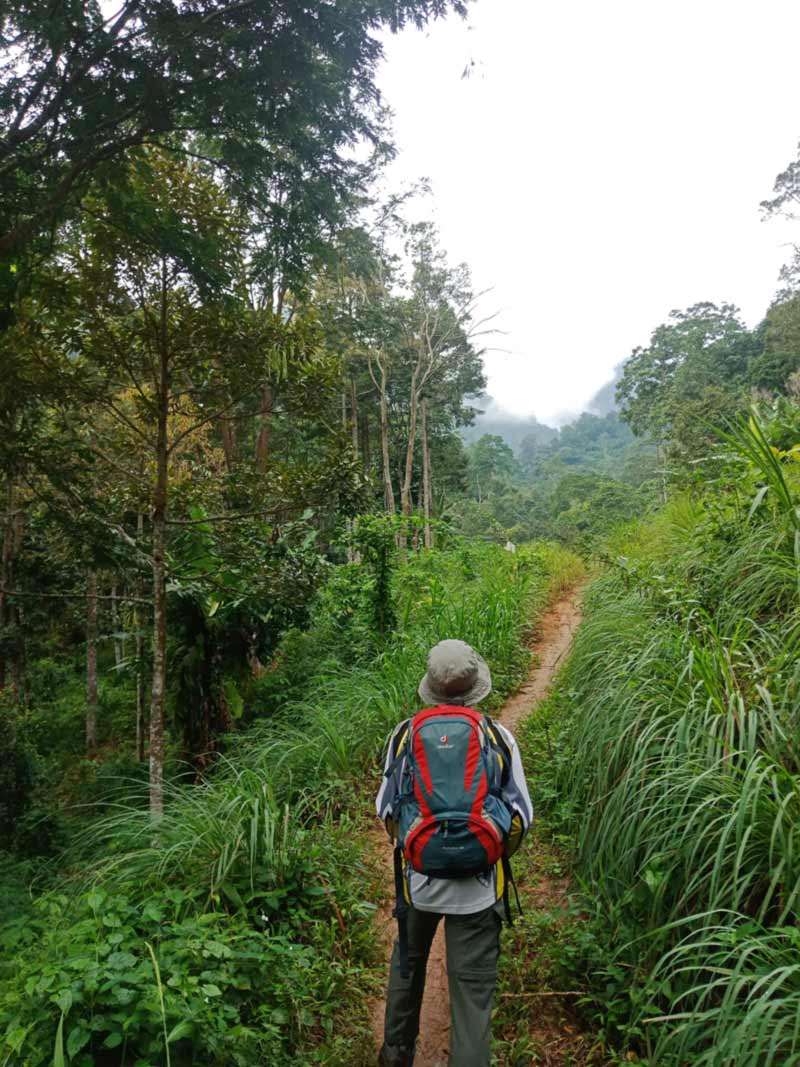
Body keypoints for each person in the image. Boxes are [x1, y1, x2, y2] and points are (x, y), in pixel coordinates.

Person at [375, 639, 533, 1067]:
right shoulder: (498, 736)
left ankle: (395, 1056)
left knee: (406, 975)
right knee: (472, 1003)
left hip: (419, 884)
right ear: (475, 686)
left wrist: (416, 847)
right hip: (480, 892)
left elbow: (386, 810)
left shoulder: (405, 735)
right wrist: (488, 851)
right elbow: (521, 816)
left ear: (430, 686)